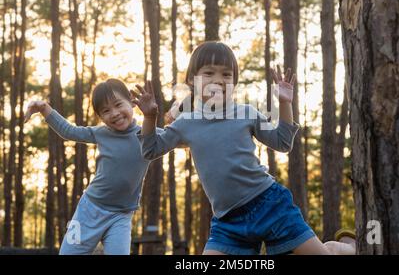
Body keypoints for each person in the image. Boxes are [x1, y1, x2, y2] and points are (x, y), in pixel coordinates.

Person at [133, 41, 355, 255]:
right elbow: (151, 149)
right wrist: (150, 117)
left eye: (226, 75)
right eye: (209, 73)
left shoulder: (247, 113)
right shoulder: (186, 123)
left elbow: (283, 142)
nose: (218, 80)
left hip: (270, 205)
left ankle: (346, 247)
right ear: (192, 79)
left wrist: (286, 103)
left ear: (234, 82)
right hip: (228, 222)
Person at [25, 78, 158, 255]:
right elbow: (69, 131)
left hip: (122, 215)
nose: (115, 113)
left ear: (132, 102)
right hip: (88, 209)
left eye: (118, 105)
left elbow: (177, 138)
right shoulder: (101, 133)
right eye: (106, 111)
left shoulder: (148, 136)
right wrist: (44, 108)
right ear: (101, 117)